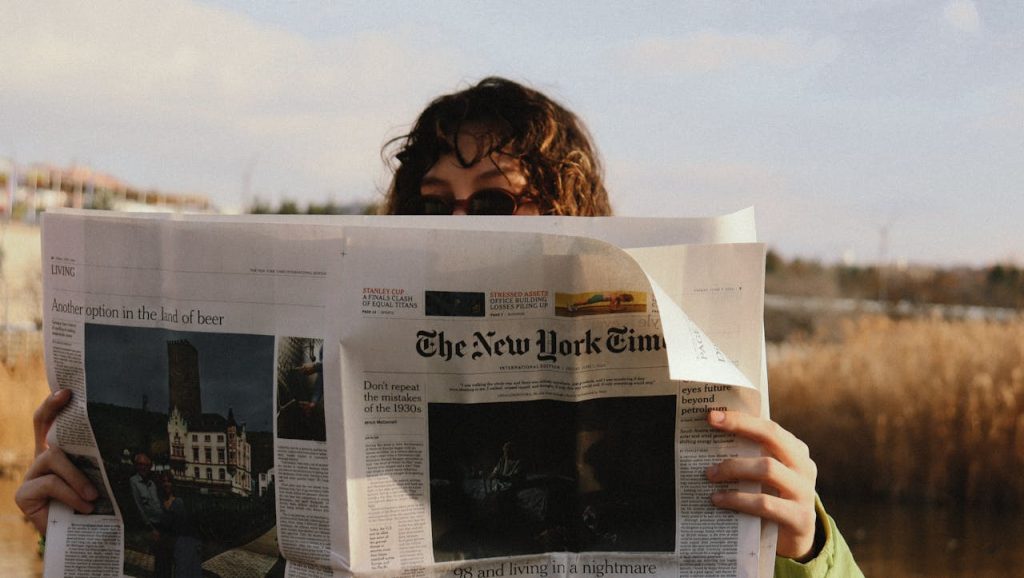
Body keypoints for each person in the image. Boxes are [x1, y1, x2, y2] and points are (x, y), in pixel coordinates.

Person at [17, 77, 861, 577]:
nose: (462, 222)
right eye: (435, 206)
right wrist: (83, 524)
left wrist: (806, 546)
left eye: (494, 202)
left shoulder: (688, 376)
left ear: (566, 214)